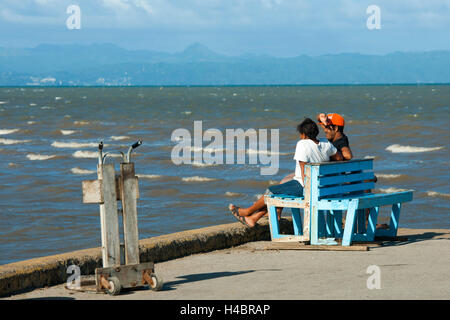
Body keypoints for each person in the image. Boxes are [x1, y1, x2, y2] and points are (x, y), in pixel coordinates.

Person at [228, 118, 343, 227]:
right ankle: (252, 218)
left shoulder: (302, 144)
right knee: (281, 189)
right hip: (324, 188)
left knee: (271, 191)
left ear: (303, 134)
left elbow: (303, 171)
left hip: (308, 188)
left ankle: (247, 211)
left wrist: (307, 191)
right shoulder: (326, 143)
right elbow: (339, 158)